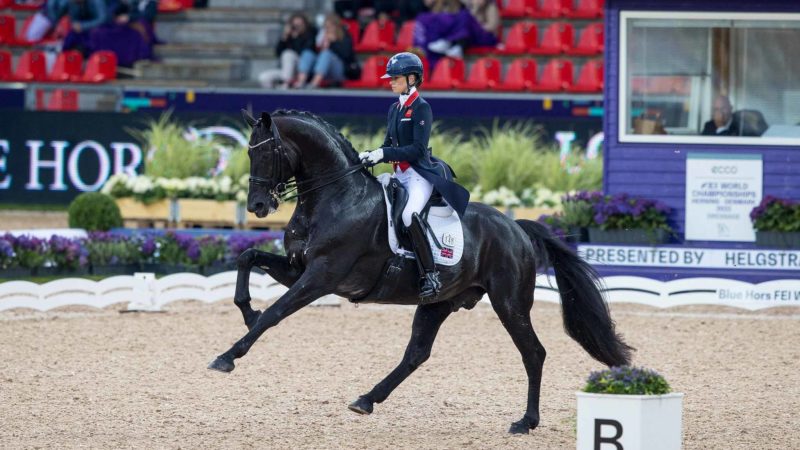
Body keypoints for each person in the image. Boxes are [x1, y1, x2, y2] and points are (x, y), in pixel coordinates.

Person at [358, 52, 470, 302]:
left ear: (411, 78)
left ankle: (430, 274)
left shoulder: (421, 108)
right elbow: (388, 142)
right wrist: (372, 155)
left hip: (419, 174)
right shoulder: (394, 108)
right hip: (399, 173)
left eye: (395, 78)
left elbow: (418, 149)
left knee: (410, 215)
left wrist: (383, 153)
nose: (390, 81)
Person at [414, 0, 499, 67]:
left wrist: (476, 14)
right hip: (471, 36)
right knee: (460, 20)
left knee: (465, 17)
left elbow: (491, 27)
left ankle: (451, 42)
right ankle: (456, 45)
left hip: (485, 37)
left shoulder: (491, 7)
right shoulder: (469, 6)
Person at [293, 14, 359, 88]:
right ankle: (301, 81)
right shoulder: (320, 35)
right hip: (319, 68)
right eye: (326, 27)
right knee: (307, 53)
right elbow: (310, 50)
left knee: (326, 54)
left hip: (339, 70)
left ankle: (314, 84)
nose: (328, 29)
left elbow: (346, 55)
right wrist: (319, 43)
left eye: (331, 26)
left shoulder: (345, 36)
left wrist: (333, 43)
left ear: (337, 26)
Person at [259, 13, 316, 89]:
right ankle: (276, 96)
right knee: (264, 77)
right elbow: (278, 53)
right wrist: (284, 37)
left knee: (288, 54)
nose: (297, 27)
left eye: (299, 25)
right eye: (294, 25)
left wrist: (296, 38)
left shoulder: (310, 35)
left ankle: (285, 86)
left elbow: (304, 53)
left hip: (302, 69)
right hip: (287, 70)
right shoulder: (288, 36)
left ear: (305, 25)